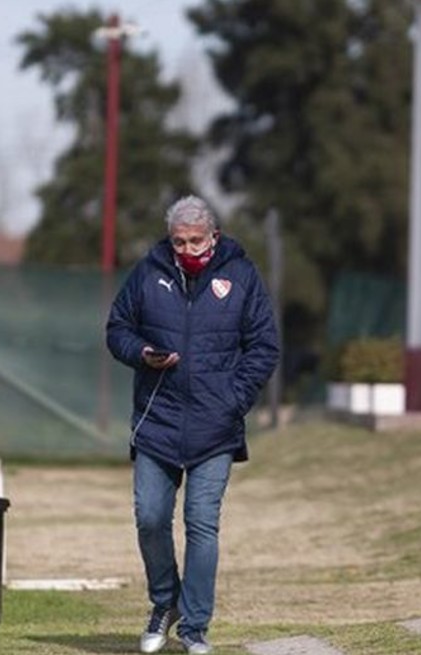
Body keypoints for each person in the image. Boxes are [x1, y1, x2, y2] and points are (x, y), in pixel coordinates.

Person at [107, 195, 279, 654]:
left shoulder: (241, 276)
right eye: (178, 241)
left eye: (195, 241)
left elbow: (264, 345)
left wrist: (233, 399)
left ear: (213, 236)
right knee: (150, 517)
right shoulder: (147, 273)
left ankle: (195, 627)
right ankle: (164, 603)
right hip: (156, 421)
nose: (186, 249)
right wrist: (144, 354)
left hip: (215, 427)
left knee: (202, 524)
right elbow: (117, 329)